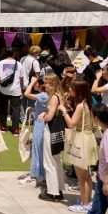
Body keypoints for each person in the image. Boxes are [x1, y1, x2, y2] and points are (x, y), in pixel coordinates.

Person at [58, 78, 97, 213]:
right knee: (86, 174)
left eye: (72, 88)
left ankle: (85, 204)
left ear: (77, 91)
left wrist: (63, 110)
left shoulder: (81, 106)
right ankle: (88, 200)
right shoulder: (88, 103)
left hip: (81, 140)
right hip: (88, 138)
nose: (69, 90)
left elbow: (71, 123)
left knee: (82, 175)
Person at [37, 74, 66, 202]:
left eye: (46, 83)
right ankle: (58, 189)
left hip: (51, 129)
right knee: (56, 160)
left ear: (52, 84)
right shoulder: (60, 95)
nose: (44, 85)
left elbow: (50, 116)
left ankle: (52, 191)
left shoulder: (54, 97)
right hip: (58, 130)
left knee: (49, 161)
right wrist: (45, 112)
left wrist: (44, 116)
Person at [21, 75, 47, 187]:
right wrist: (35, 109)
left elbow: (26, 94)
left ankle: (35, 176)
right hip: (39, 124)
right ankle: (39, 175)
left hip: (40, 125)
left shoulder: (42, 95)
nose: (34, 84)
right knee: (38, 150)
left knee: (37, 149)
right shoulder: (43, 96)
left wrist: (31, 82)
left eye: (36, 83)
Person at [0, 47, 26, 135]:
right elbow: (21, 79)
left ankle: (3, 126)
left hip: (3, 89)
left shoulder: (0, 63)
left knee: (3, 108)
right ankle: (16, 129)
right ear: (14, 54)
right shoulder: (19, 64)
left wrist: (0, 84)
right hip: (16, 90)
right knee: (16, 109)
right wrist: (22, 89)